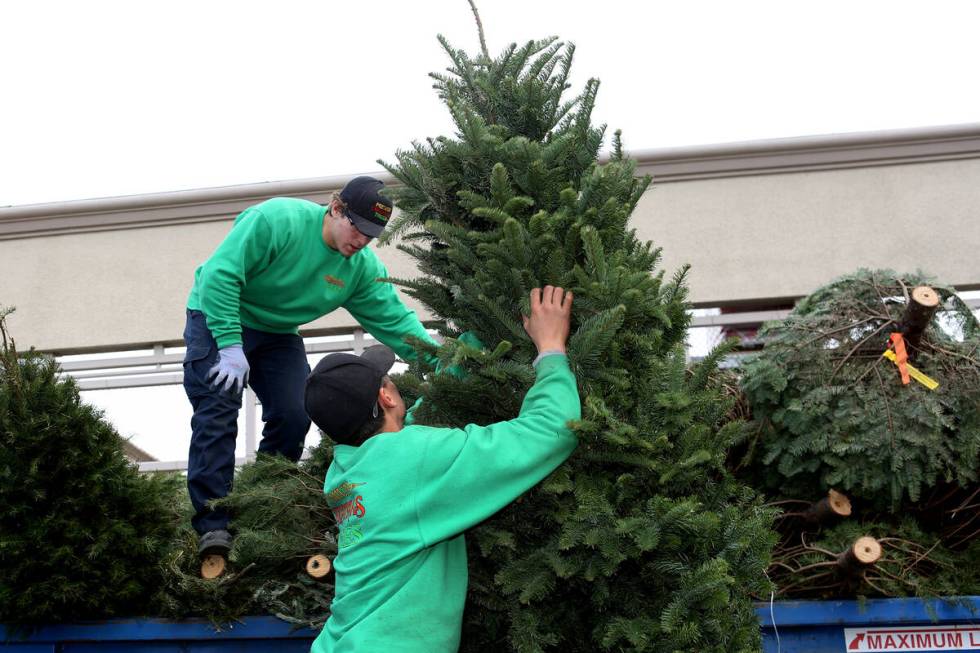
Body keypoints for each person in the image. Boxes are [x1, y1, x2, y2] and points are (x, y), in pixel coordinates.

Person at [304, 286, 580, 653]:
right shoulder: (415, 459)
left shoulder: (345, 471)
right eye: (389, 380)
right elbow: (551, 430)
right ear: (386, 396)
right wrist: (551, 349)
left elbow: (412, 427)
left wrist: (462, 359)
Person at [182, 176, 439, 558]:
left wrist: (442, 362)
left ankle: (260, 502)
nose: (361, 242)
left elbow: (397, 322)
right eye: (357, 228)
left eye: (371, 236)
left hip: (277, 332)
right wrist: (231, 345)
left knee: (295, 412)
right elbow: (221, 275)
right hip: (220, 314)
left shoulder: (360, 268)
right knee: (219, 409)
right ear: (336, 208)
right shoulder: (276, 220)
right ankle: (213, 523)